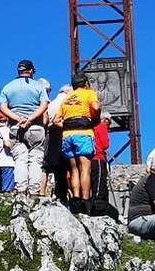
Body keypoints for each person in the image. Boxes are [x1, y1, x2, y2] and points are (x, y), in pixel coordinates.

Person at [0, 60, 50, 196]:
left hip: (16, 127)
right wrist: (30, 118)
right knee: (35, 159)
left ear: (19, 71)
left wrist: (18, 118)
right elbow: (44, 105)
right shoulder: (38, 86)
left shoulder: (8, 87)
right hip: (36, 127)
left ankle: (21, 190)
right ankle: (34, 191)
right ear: (32, 71)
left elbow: (3, 107)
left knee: (20, 158)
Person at [53, 72, 99, 213]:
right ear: (85, 83)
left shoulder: (66, 98)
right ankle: (86, 202)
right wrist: (95, 119)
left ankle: (75, 200)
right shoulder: (89, 93)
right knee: (85, 168)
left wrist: (67, 126)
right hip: (83, 133)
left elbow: (55, 120)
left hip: (67, 135)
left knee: (73, 169)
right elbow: (96, 107)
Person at [42, 84, 72, 202]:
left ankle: (44, 192)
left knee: (50, 167)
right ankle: (63, 195)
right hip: (63, 135)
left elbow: (46, 121)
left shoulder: (52, 103)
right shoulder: (66, 102)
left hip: (50, 136)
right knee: (65, 167)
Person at [90, 111, 115, 217]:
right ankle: (99, 205)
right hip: (99, 158)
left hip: (90, 159)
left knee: (94, 182)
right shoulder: (102, 126)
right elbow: (105, 144)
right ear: (105, 120)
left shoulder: (93, 127)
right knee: (100, 182)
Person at [0, 113, 15, 193]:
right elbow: (6, 143)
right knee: (7, 192)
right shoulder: (5, 129)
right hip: (7, 162)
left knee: (2, 190)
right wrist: (15, 150)